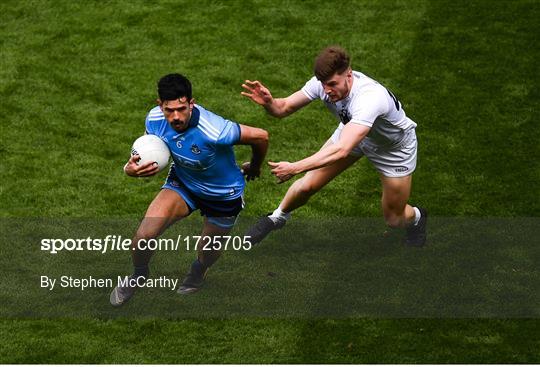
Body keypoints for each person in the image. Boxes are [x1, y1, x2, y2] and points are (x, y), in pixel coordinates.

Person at [241, 45, 426, 247]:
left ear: (349, 74)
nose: (327, 91)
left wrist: (295, 167)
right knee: (308, 184)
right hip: (353, 130)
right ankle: (277, 217)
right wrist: (269, 102)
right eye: (323, 85)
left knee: (394, 218)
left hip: (392, 149)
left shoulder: (370, 98)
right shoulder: (322, 85)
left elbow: (342, 150)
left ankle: (417, 217)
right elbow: (282, 108)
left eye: (332, 84)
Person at [110, 73, 268, 306]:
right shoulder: (154, 119)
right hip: (184, 183)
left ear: (191, 103)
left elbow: (261, 136)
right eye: (169, 109)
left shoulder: (216, 130)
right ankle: (139, 274)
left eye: (181, 109)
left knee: (206, 252)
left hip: (222, 195)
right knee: (143, 237)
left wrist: (254, 167)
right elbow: (147, 148)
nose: (175, 117)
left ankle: (199, 269)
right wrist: (129, 168)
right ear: (159, 105)